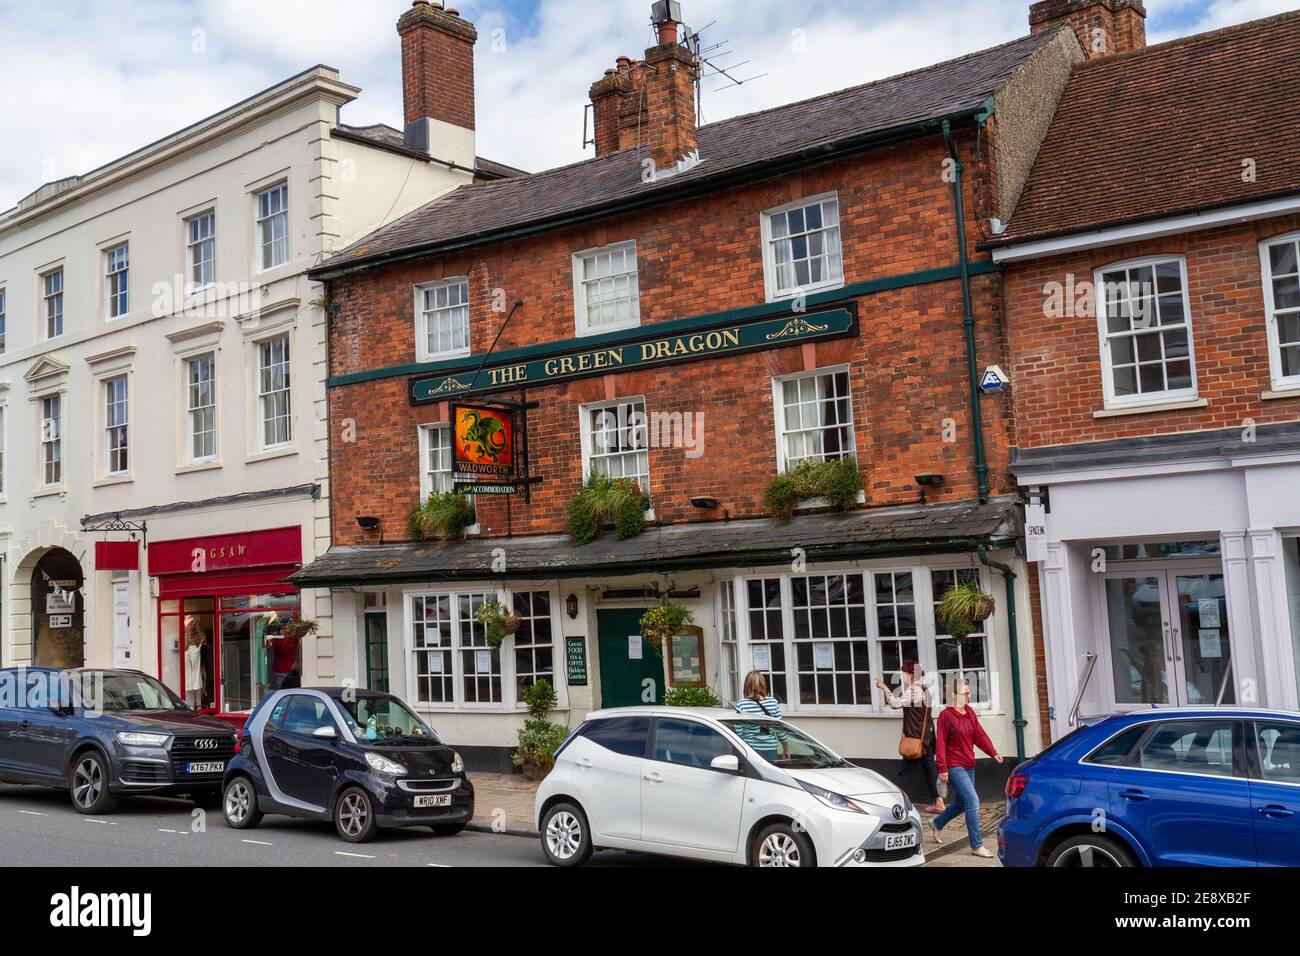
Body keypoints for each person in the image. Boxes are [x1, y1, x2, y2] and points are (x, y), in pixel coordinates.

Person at [930, 679, 1002, 858]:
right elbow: (941, 743)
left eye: (969, 693)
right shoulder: (946, 716)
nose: (969, 696)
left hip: (969, 763)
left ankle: (937, 823)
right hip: (954, 765)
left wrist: (993, 752)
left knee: (962, 803)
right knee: (973, 801)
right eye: (965, 693)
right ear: (954, 696)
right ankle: (977, 845)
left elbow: (979, 735)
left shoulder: (969, 712)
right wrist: (942, 768)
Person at [875, 662, 944, 813]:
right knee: (929, 769)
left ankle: (896, 802)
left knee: (905, 772)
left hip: (916, 738)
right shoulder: (924, 689)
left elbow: (894, 703)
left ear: (912, 674)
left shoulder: (914, 691)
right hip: (928, 735)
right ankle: (939, 802)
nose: (903, 677)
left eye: (904, 674)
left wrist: (884, 688)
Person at [733, 670, 789, 762]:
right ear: (763, 685)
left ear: (747, 685)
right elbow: (779, 729)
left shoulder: (742, 704)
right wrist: (786, 749)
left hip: (749, 749)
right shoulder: (773, 702)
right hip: (770, 748)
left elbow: (738, 732)